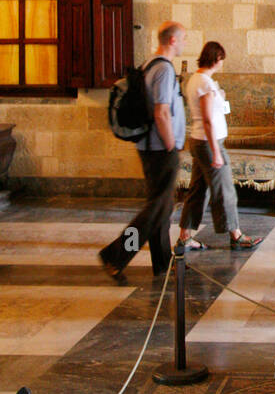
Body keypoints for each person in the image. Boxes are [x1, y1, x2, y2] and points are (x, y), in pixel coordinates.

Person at [98, 22, 187, 283]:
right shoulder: (163, 69)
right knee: (157, 207)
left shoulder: (151, 64)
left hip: (153, 147)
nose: (184, 44)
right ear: (172, 40)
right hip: (160, 148)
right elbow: (161, 111)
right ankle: (116, 255)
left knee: (162, 206)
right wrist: (172, 144)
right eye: (182, 39)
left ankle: (162, 263)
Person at [176, 41, 263, 253]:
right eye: (222, 59)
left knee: (197, 190)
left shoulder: (198, 79)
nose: (222, 63)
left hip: (200, 140)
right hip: (208, 142)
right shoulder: (204, 83)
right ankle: (236, 235)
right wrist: (216, 151)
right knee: (224, 189)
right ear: (216, 58)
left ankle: (185, 237)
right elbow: (206, 119)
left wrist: (219, 97)